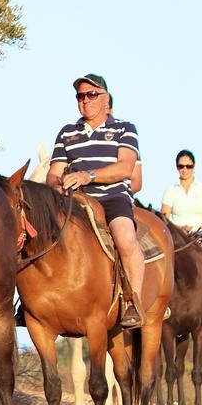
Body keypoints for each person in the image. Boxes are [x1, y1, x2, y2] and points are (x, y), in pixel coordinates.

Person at [47, 74, 144, 328]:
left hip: (112, 196)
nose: (85, 100)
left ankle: (133, 301)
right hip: (75, 201)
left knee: (124, 236)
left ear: (105, 99)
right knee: (39, 235)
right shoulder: (67, 133)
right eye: (81, 95)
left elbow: (125, 168)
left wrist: (87, 175)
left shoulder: (125, 128)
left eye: (91, 94)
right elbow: (54, 174)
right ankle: (31, 304)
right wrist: (58, 188)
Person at [161, 150, 202, 231]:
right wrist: (180, 229)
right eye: (181, 166)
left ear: (194, 166)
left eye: (188, 166)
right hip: (178, 239)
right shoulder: (170, 191)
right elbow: (163, 220)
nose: (185, 170)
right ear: (177, 167)